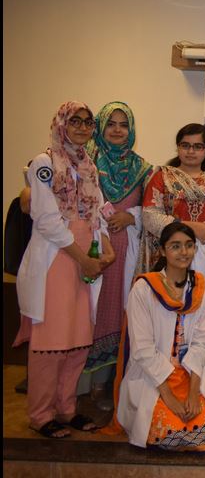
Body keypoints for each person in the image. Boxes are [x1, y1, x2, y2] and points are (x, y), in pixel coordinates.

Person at [15, 101, 115, 439]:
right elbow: (45, 219)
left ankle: (67, 408)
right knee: (51, 340)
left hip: (86, 255)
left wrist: (105, 246)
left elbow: (96, 211)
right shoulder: (44, 163)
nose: (83, 128)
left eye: (88, 122)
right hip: (57, 257)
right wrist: (82, 258)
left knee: (78, 339)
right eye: (75, 121)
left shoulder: (88, 164)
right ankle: (41, 414)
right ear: (61, 123)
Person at [110, 222, 205, 452]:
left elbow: (202, 343)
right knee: (171, 434)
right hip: (153, 377)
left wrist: (194, 392)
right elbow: (142, 348)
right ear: (162, 250)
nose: (184, 252)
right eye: (175, 246)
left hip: (190, 375)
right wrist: (168, 396)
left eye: (189, 245)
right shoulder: (144, 289)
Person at [83, 101, 153, 410]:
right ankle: (81, 385)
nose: (117, 130)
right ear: (100, 126)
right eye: (110, 123)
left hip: (126, 251)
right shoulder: (85, 161)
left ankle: (109, 382)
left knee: (118, 313)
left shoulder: (142, 168)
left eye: (123, 125)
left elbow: (152, 207)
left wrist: (131, 215)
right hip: (90, 248)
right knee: (89, 312)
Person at [141, 123, 205, 278]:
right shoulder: (162, 178)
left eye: (198, 146)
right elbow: (150, 216)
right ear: (178, 148)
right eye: (185, 145)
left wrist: (203, 234)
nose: (191, 151)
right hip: (166, 258)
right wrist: (191, 227)